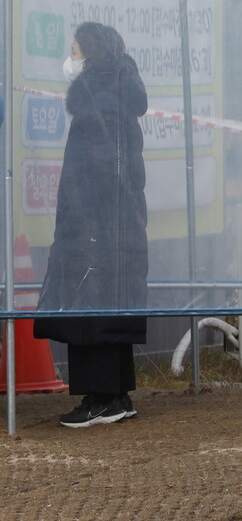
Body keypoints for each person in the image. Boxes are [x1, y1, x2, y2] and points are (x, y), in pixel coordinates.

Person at [34, 22, 149, 428]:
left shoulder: (96, 101)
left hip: (94, 224)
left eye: (75, 51)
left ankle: (101, 398)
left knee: (91, 307)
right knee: (111, 304)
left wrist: (82, 223)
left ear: (90, 55)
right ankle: (117, 394)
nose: (71, 59)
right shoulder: (117, 96)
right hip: (116, 225)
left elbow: (95, 170)